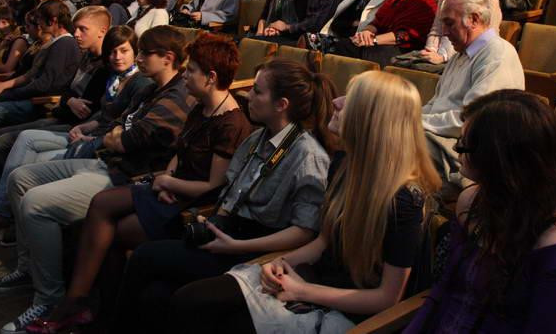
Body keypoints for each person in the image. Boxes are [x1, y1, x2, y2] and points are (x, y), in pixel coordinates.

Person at [171, 70, 441, 333]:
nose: (336, 101)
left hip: (344, 309)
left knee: (218, 318)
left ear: (372, 119)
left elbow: (387, 298)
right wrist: (277, 263)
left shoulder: (405, 200)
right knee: (189, 299)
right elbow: (322, 242)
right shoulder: (344, 165)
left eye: (350, 99)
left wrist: (302, 290)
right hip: (309, 280)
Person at [26, 34, 253, 331]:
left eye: (191, 70)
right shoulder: (201, 106)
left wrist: (169, 184)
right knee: (101, 205)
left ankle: (96, 312)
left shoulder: (231, 123)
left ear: (211, 77)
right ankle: (80, 304)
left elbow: (213, 186)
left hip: (189, 205)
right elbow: (179, 153)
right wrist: (168, 177)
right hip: (170, 187)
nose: (185, 75)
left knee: (111, 233)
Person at [0, 26, 194, 334]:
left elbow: (127, 139)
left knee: (35, 202)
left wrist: (117, 137)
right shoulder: (151, 88)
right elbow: (115, 124)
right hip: (107, 162)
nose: (137, 58)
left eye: (143, 53)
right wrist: (115, 136)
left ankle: (49, 298)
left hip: (126, 176)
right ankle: (27, 268)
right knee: (20, 177)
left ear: (167, 58)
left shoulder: (176, 95)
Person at [111, 58, 336, 332]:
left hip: (258, 250)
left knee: (144, 256)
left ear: (281, 105)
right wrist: (215, 221)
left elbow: (305, 231)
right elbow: (233, 191)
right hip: (228, 234)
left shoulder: (307, 155)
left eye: (257, 91)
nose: (248, 95)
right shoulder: (258, 138)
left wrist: (237, 246)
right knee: (155, 294)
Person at [406, 90, 556, 333]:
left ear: (497, 158)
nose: (456, 150)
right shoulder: (470, 202)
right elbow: (443, 291)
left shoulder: (554, 244)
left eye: (464, 145)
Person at [0, 25, 142, 239]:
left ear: (136, 52)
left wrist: (87, 129)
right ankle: (4, 215)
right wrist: (81, 121)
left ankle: (11, 218)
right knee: (24, 138)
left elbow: (120, 124)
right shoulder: (109, 74)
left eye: (124, 51)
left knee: (23, 155)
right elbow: (90, 108)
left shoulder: (138, 83)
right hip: (81, 128)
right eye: (112, 52)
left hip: (97, 142)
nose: (117, 57)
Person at [0, 1, 82, 192]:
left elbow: (44, 85)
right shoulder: (54, 43)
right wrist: (2, 87)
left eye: (40, 20)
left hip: (40, 104)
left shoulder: (64, 44)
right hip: (29, 98)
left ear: (52, 20)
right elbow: (29, 76)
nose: (38, 24)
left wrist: (4, 96)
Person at [422, 0, 524, 179]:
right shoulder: (459, 55)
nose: (444, 32)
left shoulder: (497, 54)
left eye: (449, 23)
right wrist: (406, 118)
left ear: (474, 19)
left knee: (392, 143)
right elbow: (435, 104)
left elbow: (473, 120)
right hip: (440, 138)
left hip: (467, 151)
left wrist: (415, 122)